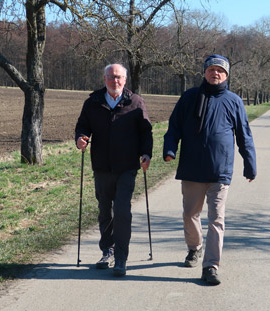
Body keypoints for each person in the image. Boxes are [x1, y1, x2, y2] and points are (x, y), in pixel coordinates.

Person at [163, 54, 256, 285]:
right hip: (192, 168)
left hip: (220, 171)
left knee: (216, 219)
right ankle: (195, 248)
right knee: (189, 215)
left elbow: (244, 135)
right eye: (211, 69)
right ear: (204, 72)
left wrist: (250, 164)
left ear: (226, 75)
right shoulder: (189, 97)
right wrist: (170, 149)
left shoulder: (234, 101)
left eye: (220, 71)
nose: (215, 73)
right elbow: (174, 126)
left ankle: (211, 266)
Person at [75, 63, 153, 277]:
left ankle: (121, 256)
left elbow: (146, 132)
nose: (114, 81)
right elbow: (82, 126)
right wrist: (81, 139)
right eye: (110, 77)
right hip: (101, 166)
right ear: (104, 79)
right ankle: (106, 250)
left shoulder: (136, 102)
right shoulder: (93, 102)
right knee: (104, 210)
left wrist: (146, 154)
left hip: (127, 166)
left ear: (125, 80)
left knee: (121, 211)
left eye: (118, 77)